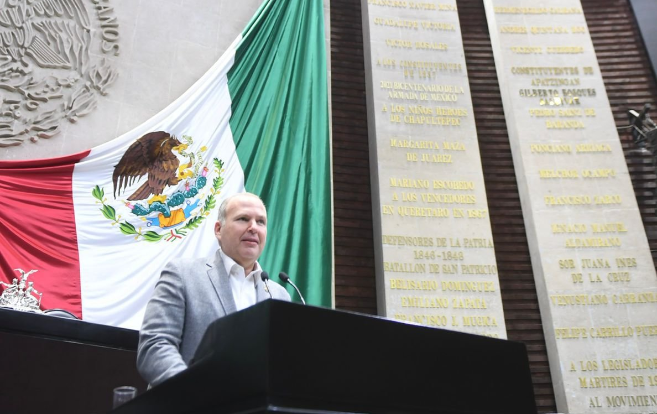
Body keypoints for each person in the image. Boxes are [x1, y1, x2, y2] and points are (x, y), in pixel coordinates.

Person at [137, 192, 291, 386]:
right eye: (243, 219)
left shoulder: (280, 296)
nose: (253, 227)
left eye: (260, 222)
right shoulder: (182, 275)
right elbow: (155, 346)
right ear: (218, 229)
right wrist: (193, 392)